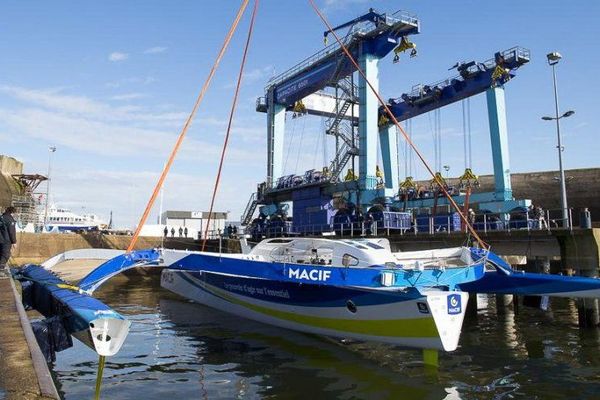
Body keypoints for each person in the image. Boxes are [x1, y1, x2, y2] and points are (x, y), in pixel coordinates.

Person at [0, 207, 18, 276]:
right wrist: (14, 242)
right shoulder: (10, 219)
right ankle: (0, 270)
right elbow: (11, 232)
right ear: (12, 212)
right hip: (6, 240)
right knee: (5, 255)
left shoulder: (1, 217)